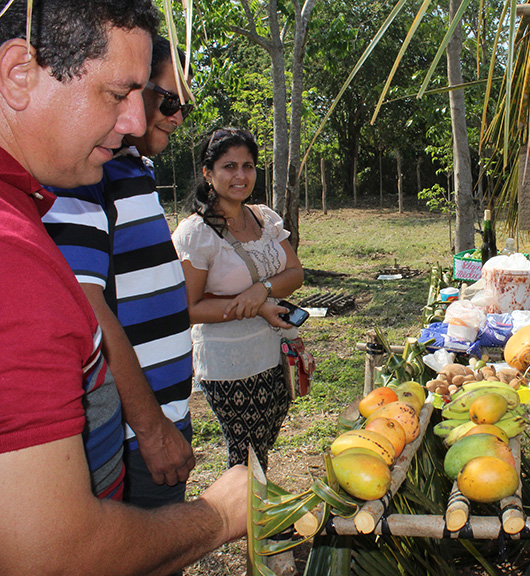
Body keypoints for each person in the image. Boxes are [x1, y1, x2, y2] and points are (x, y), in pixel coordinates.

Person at [0, 3, 246, 574]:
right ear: (19, 74)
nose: (137, 120)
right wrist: (217, 517)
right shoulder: (14, 256)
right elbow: (53, 554)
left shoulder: (40, 199)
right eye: (118, 94)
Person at [43, 35, 197, 510]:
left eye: (185, 106)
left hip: (164, 413)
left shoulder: (130, 169)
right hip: (134, 433)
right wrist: (149, 428)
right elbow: (89, 309)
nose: (176, 116)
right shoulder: (85, 176)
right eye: (169, 99)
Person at [172, 127, 304, 470]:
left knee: (262, 444)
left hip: (272, 354)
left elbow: (295, 273)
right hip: (229, 362)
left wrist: (263, 289)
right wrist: (256, 307)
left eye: (248, 166)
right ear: (208, 173)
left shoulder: (263, 217)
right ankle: (240, 519)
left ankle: (251, 515)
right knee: (245, 454)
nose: (240, 176)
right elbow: (190, 308)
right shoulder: (197, 233)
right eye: (229, 166)